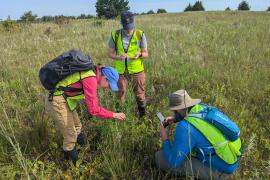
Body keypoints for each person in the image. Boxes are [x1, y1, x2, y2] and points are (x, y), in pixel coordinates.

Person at [45, 65, 126, 165]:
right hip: (57, 101)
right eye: (109, 85)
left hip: (65, 99)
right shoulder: (91, 80)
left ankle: (82, 150)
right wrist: (114, 115)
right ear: (105, 78)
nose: (108, 88)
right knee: (70, 135)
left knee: (77, 126)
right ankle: (74, 165)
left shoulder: (92, 73)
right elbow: (94, 110)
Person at [155, 90, 241, 179]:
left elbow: (173, 163)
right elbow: (195, 120)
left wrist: (165, 137)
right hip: (231, 158)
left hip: (221, 171)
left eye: (175, 111)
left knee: (160, 157)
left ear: (179, 108)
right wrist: (175, 118)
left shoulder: (185, 127)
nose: (174, 113)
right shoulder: (202, 108)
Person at [108, 11, 149, 117]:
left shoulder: (140, 34)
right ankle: (119, 117)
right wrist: (118, 56)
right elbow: (110, 54)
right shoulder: (115, 35)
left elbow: (146, 54)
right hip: (120, 72)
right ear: (121, 23)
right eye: (126, 27)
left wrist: (139, 54)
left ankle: (142, 117)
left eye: (130, 26)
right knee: (120, 94)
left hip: (137, 71)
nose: (128, 29)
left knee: (140, 95)